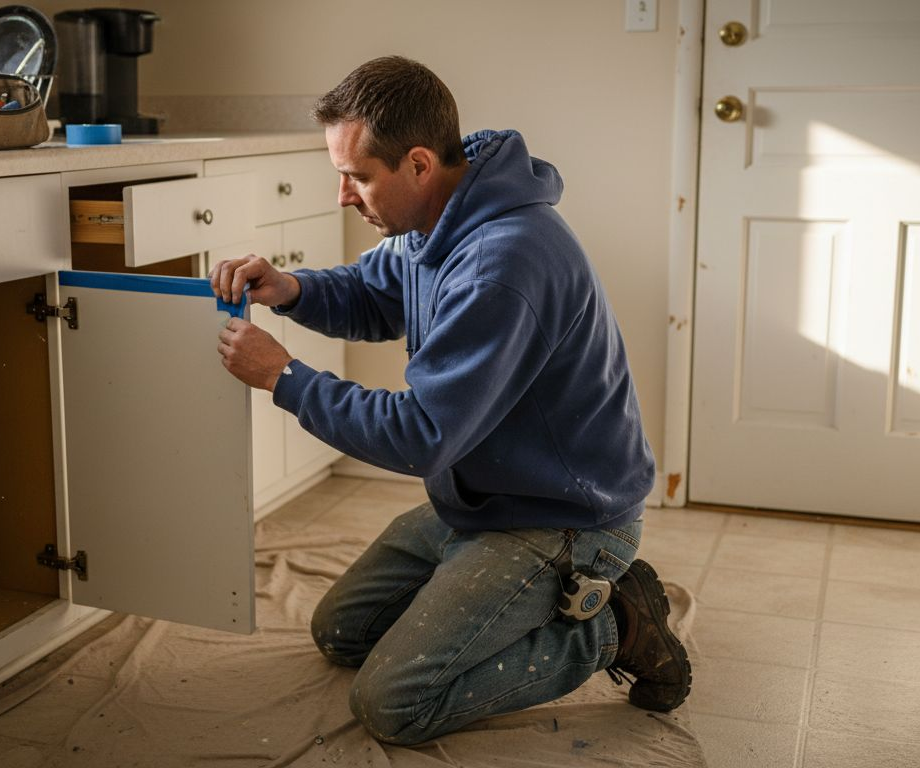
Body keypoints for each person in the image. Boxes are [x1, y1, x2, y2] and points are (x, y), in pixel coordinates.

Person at [209, 55, 689, 745]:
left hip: (563, 518)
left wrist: (284, 378)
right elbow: (376, 294)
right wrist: (290, 289)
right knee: (342, 632)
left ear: (419, 164)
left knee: (393, 705)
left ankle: (612, 629)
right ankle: (489, 583)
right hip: (482, 501)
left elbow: (420, 435)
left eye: (357, 176)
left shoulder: (502, 261)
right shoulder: (439, 219)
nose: (344, 195)